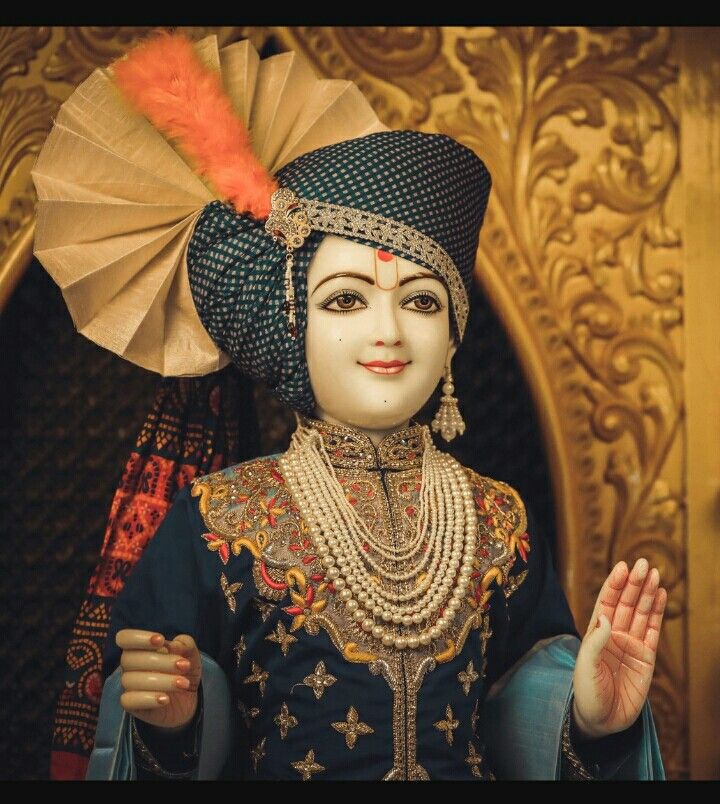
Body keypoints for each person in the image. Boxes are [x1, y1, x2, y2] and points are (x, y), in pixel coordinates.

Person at [32, 30, 666, 780]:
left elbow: (519, 709)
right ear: (294, 326)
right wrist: (174, 728)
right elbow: (151, 719)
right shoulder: (220, 521)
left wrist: (589, 720)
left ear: (454, 335)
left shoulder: (498, 524)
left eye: (422, 302)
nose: (389, 331)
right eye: (345, 300)